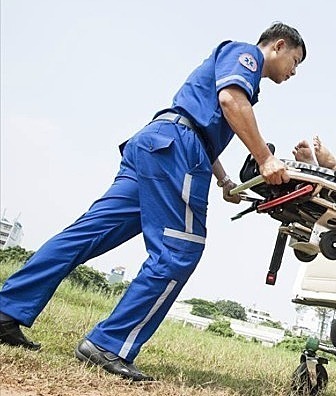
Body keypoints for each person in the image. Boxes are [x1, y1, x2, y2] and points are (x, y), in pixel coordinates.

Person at [0, 22, 306, 380]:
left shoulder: (233, 72)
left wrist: (223, 179)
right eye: (295, 61)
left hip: (158, 142)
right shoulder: (246, 55)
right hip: (177, 150)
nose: (294, 72)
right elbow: (229, 102)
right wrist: (265, 158)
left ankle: (6, 309)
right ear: (279, 46)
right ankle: (109, 344)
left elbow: (205, 126)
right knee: (180, 250)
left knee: (86, 234)